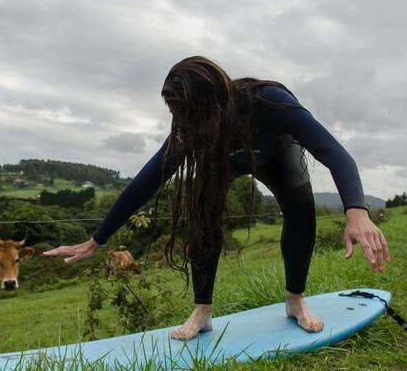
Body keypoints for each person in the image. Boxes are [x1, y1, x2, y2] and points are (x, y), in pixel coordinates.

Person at [43, 56, 389, 340]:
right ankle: (203, 310)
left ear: (214, 102)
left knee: (301, 209)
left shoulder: (270, 102)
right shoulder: (192, 127)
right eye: (179, 118)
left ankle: (295, 300)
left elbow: (334, 152)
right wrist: (96, 239)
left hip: (277, 155)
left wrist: (356, 211)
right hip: (223, 159)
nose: (184, 126)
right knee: (202, 215)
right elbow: (148, 180)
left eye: (189, 117)